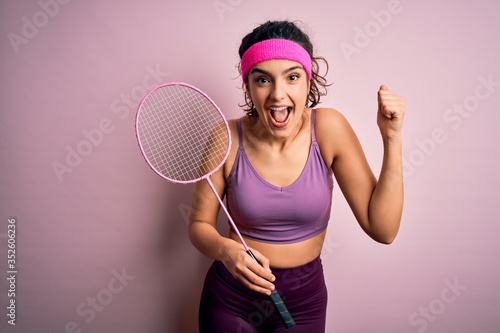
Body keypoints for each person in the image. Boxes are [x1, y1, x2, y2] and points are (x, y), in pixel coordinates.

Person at [188, 20, 405, 332]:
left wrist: (392, 138)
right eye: (262, 80)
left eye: (292, 77)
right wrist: (226, 250)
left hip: (303, 305)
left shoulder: (328, 129)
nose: (278, 94)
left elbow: (383, 230)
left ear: (308, 81)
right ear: (248, 85)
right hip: (230, 302)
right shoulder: (227, 137)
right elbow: (198, 225)